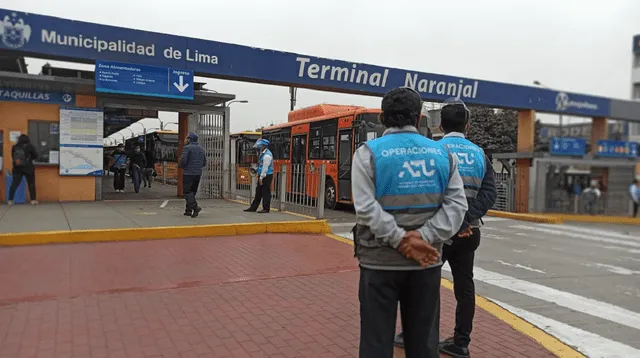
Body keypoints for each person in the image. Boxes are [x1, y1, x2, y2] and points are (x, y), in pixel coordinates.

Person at [352, 87, 468, 358]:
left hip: (377, 263)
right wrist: (423, 238)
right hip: (425, 263)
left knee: (375, 342)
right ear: (418, 119)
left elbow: (365, 207)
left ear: (382, 117)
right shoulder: (442, 155)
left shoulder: (368, 153)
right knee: (424, 344)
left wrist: (400, 239)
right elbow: (457, 205)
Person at [394, 97, 497, 358]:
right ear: (468, 126)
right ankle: (461, 343)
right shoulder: (480, 154)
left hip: (437, 234)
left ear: (440, 125)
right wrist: (463, 220)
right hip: (469, 232)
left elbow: (422, 194)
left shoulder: (432, 151)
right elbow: (489, 194)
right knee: (465, 287)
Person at [179, 132, 206, 218]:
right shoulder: (201, 149)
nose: (185, 139)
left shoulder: (187, 148)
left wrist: (180, 166)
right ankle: (188, 211)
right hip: (198, 173)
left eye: (186, 138)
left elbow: (183, 160)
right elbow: (204, 162)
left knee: (187, 192)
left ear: (190, 139)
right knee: (192, 192)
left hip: (188, 173)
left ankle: (195, 207)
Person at [243, 138, 274, 214]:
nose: (259, 147)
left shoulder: (267, 155)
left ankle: (266, 208)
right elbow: (261, 165)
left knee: (265, 192)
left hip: (266, 176)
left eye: (260, 146)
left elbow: (265, 168)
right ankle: (253, 207)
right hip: (262, 175)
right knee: (258, 192)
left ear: (264, 146)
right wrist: (256, 169)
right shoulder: (263, 153)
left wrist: (261, 178)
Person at [8, 134, 39, 205]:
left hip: (17, 168)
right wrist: (29, 158)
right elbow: (36, 155)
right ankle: (33, 200)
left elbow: (13, 157)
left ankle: (10, 200)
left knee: (14, 184)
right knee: (31, 184)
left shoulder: (14, 147)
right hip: (28, 168)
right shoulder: (30, 146)